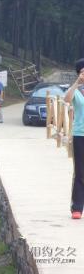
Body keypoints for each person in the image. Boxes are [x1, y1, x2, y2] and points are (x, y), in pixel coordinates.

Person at [64, 58, 84, 219]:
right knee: (80, 172)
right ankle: (77, 207)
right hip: (80, 135)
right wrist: (77, 82)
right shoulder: (76, 90)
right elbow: (67, 99)